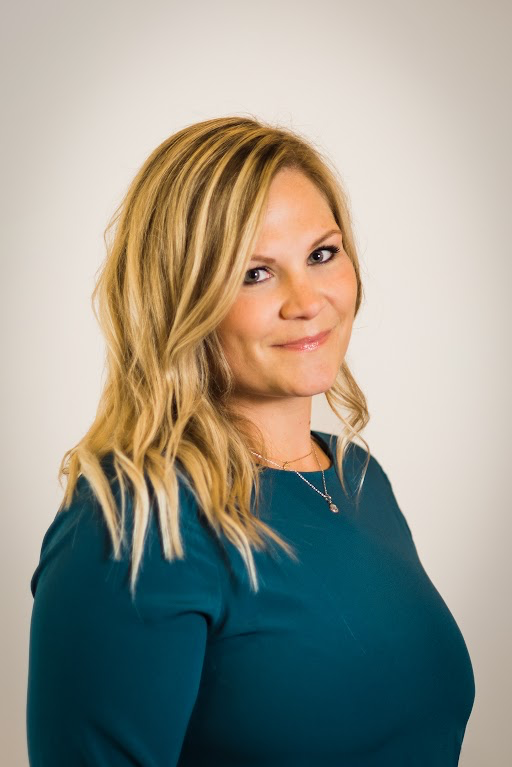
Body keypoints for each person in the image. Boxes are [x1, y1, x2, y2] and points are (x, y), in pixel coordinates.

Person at [26, 115, 475, 766]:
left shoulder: (356, 477)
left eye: (322, 254)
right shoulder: (138, 524)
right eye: (254, 273)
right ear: (183, 299)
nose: (308, 300)